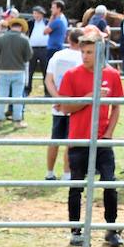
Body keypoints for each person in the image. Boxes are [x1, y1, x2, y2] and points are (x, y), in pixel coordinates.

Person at [56, 30, 124, 247]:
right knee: (76, 186)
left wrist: (108, 134)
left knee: (109, 183)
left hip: (102, 140)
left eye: (90, 52)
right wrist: (87, 99)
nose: (85, 56)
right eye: (83, 51)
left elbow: (116, 107)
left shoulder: (112, 75)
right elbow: (65, 107)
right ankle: (76, 230)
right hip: (78, 139)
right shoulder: (72, 75)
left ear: (100, 53)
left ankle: (112, 229)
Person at [44, 27, 84, 180]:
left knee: (55, 139)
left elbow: (49, 80)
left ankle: (49, 172)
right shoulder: (83, 59)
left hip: (58, 106)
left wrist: (58, 99)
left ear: (68, 39)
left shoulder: (57, 55)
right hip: (75, 106)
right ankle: (67, 173)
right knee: (70, 140)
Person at [0, 17, 31, 126]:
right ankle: (17, 120)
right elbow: (28, 56)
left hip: (3, 71)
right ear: (21, 27)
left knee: (2, 97)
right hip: (18, 71)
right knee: (17, 97)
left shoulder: (1, 38)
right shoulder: (24, 39)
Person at [27, 6, 50, 95]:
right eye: (35, 13)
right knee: (30, 70)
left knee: (45, 70)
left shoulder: (47, 22)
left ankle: (47, 91)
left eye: (38, 14)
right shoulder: (30, 23)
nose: (36, 15)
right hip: (32, 48)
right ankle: (28, 89)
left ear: (42, 15)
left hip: (44, 48)